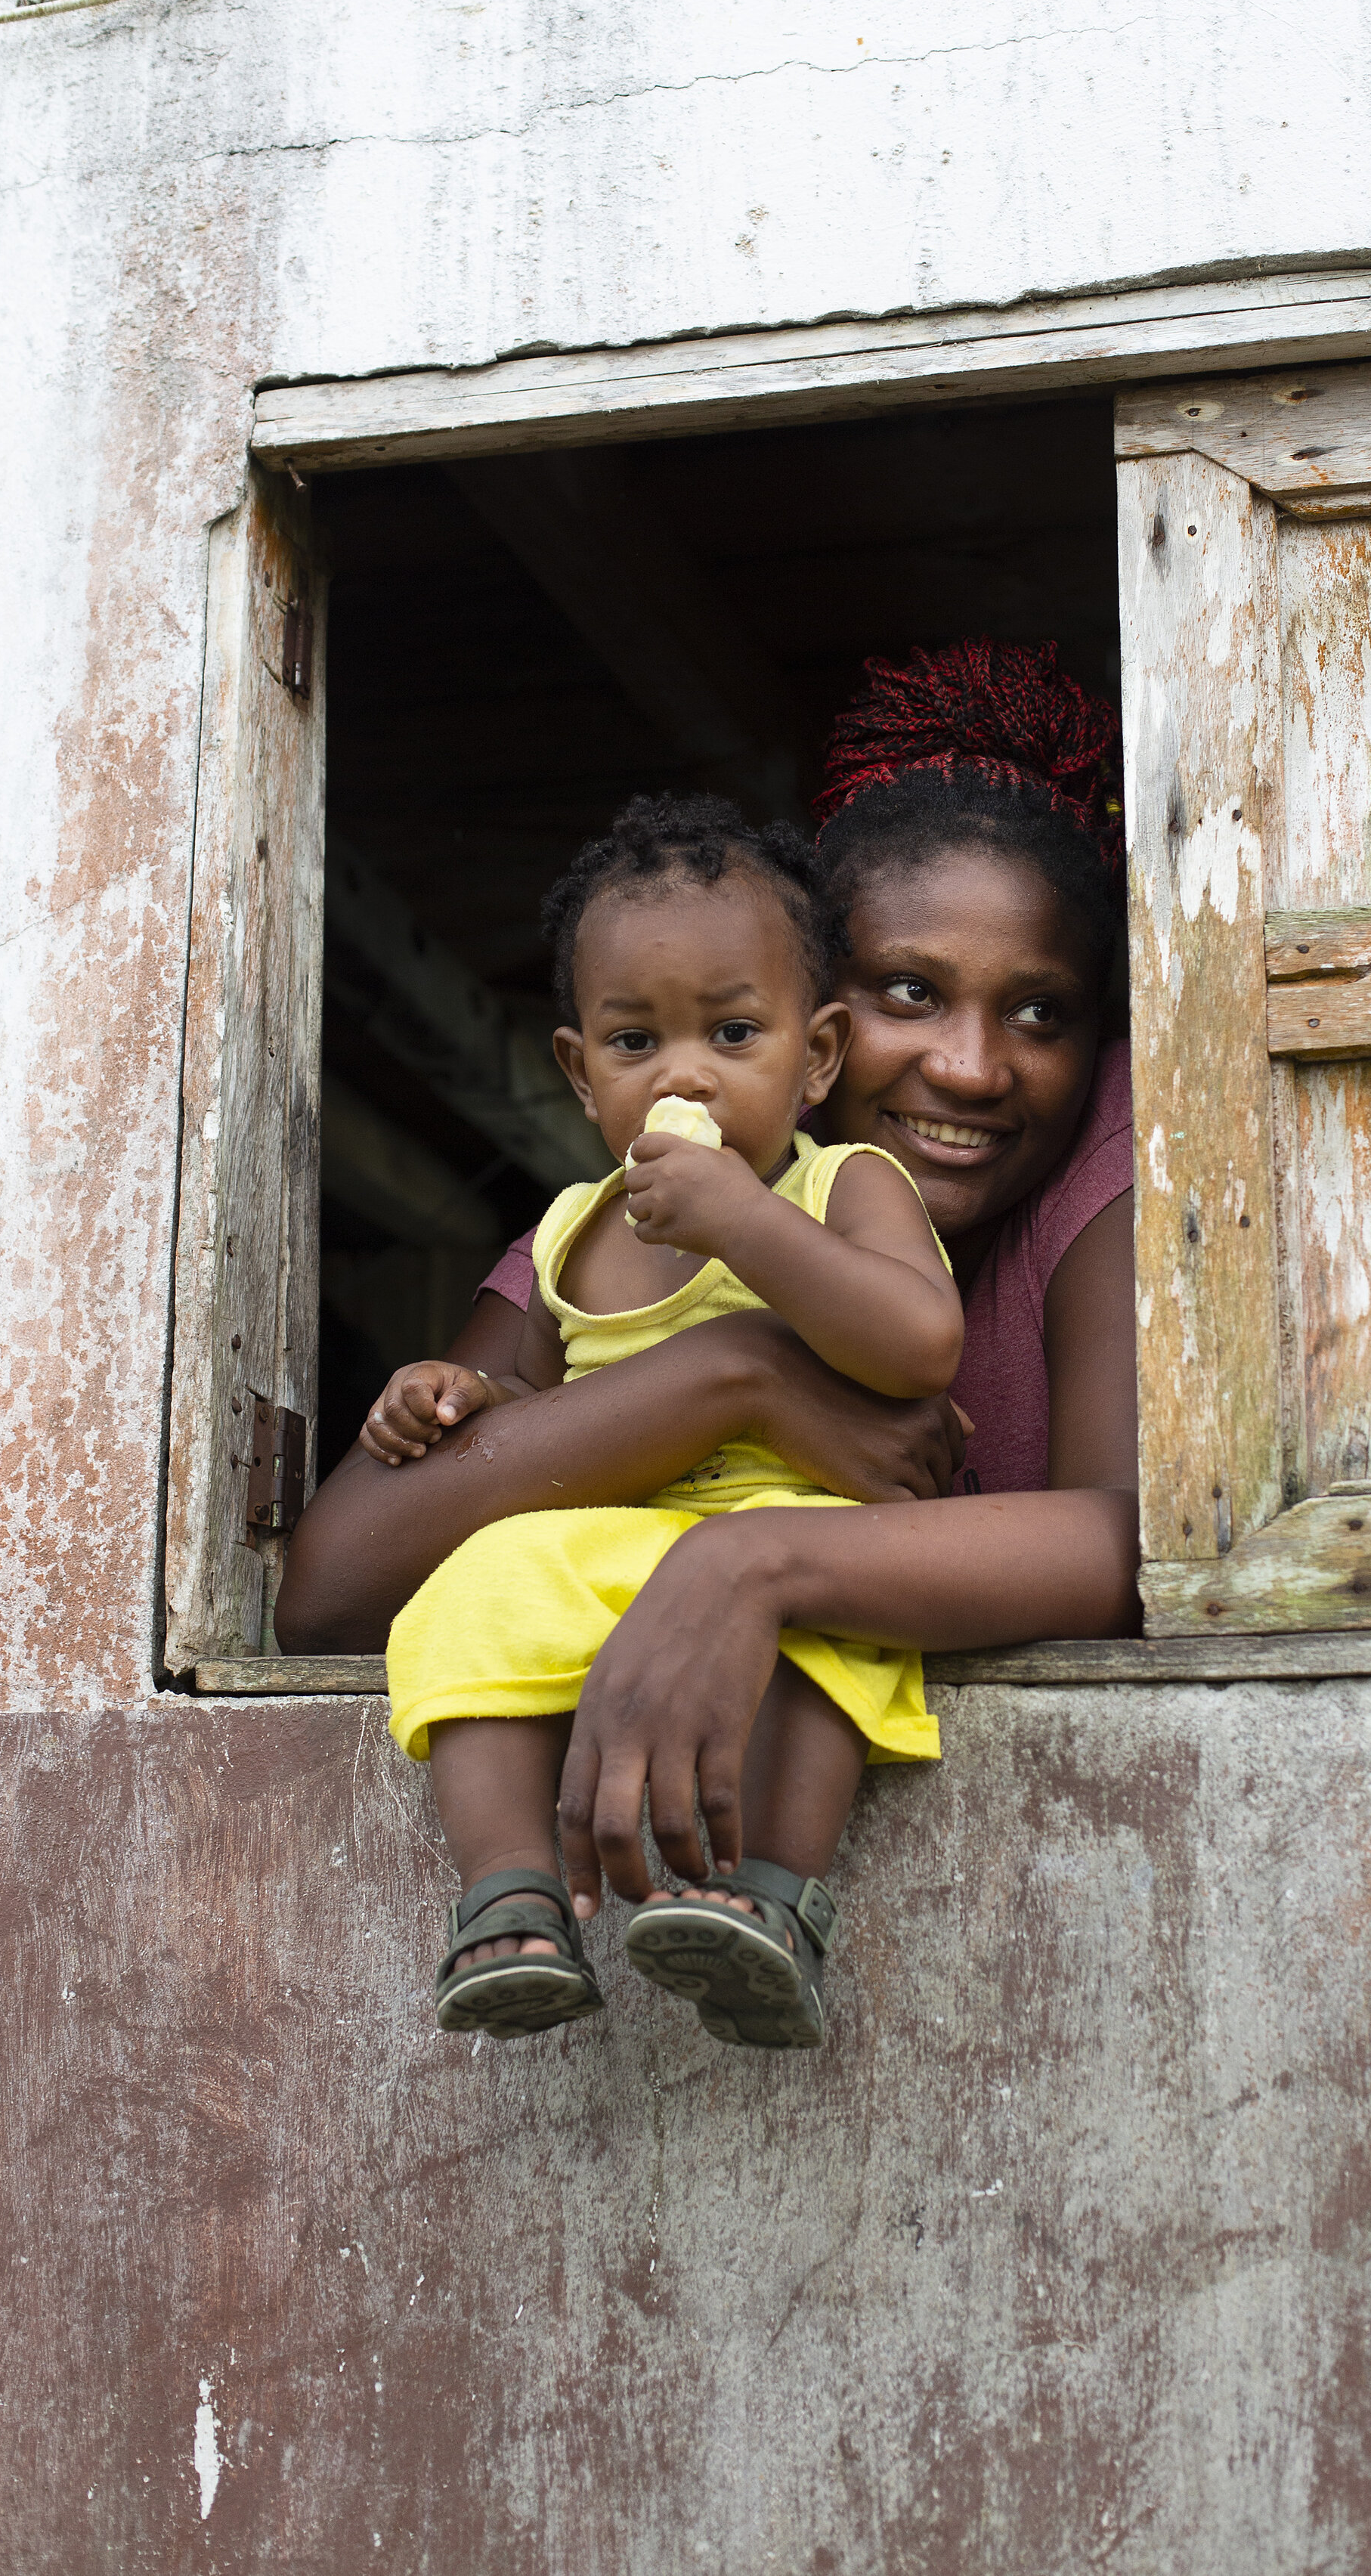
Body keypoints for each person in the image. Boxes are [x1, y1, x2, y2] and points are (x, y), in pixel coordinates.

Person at [276, 638, 1139, 2028]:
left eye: (1040, 1012)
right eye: (910, 994)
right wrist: (741, 1378)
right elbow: (330, 1583)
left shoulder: (1099, 1166)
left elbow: (1127, 1542)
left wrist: (752, 1563)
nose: (973, 1067)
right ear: (821, 1009)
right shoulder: (628, 1223)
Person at [378, 795, 963, 2050]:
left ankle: (773, 1897)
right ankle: (509, 1892)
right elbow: (553, 1411)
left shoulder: (838, 1182)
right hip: (623, 1545)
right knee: (476, 1577)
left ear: (816, 1060)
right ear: (583, 1071)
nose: (684, 1073)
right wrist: (467, 1395)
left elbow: (921, 1342)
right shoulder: (573, 1231)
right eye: (637, 1039)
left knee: (836, 1645)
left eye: (733, 1033)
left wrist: (749, 1223)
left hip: (794, 1532)